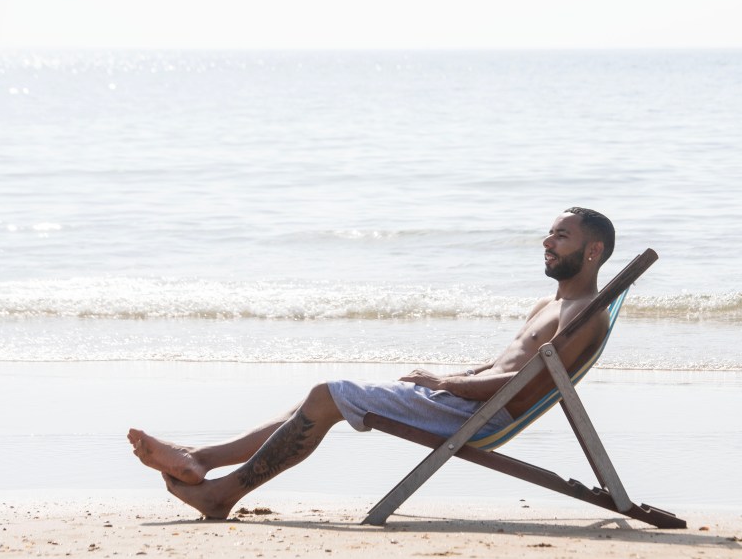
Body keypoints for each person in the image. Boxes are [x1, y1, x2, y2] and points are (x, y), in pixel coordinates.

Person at [127, 207, 616, 519]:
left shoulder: (583, 315)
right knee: (321, 398)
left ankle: (221, 492)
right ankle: (202, 459)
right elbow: (498, 366)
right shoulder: (550, 306)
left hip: (475, 415)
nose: (547, 242)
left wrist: (442, 383)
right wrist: (446, 378)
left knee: (327, 395)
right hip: (463, 402)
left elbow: (518, 384)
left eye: (561, 236)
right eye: (549, 233)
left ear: (592, 251)